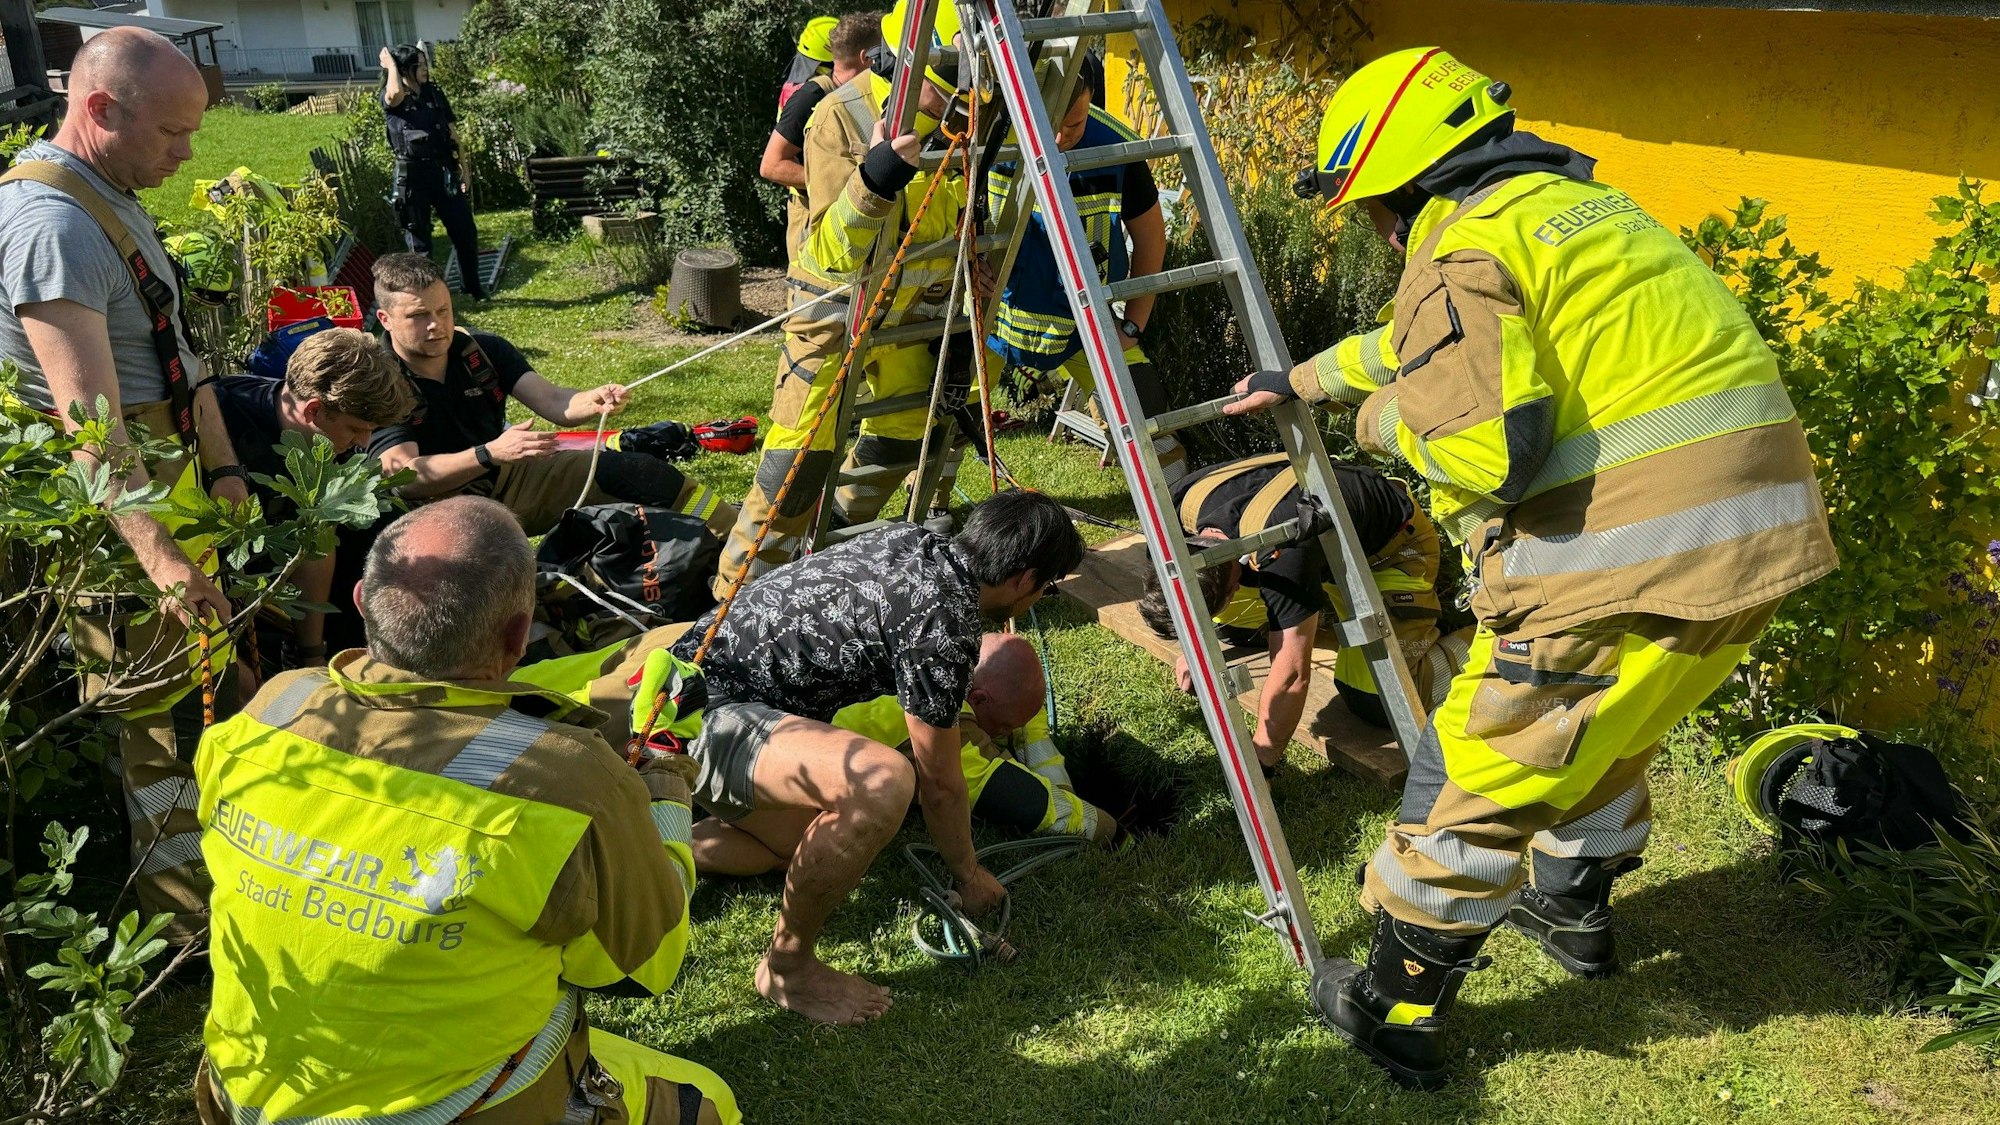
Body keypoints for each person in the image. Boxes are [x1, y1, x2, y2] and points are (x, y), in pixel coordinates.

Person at [1226, 47, 1838, 1087]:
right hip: (1758, 541)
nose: (1378, 232)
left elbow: (1477, 451)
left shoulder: (1458, 250)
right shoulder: (1574, 214)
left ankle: (1392, 1009)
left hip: (1622, 558)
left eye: (1373, 207)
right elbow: (1423, 347)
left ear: (1409, 182)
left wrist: (1372, 421)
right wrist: (1306, 378)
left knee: (1477, 779)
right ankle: (1569, 911)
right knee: (1607, 736)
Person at [192, 496, 739, 1125]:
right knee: (708, 1101)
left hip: (242, 1094)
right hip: (448, 1111)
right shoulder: (570, 779)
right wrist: (666, 777)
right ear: (517, 635)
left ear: (364, 600)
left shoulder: (274, 707)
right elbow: (647, 961)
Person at [0, 27, 248, 943]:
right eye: (172, 134)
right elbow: (92, 429)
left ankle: (228, 859)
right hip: (129, 502)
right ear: (100, 110)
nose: (187, 154)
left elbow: (176, 351)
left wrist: (222, 467)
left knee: (201, 684)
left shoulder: (111, 192)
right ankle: (184, 924)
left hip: (177, 470)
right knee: (152, 706)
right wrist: (163, 560)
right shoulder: (51, 224)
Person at [677, 489, 1085, 1025]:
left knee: (801, 848)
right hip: (704, 716)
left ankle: (653, 837)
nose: (1037, 600)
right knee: (885, 781)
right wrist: (969, 873)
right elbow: (940, 782)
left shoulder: (912, 539)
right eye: (1046, 588)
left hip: (682, 688)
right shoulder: (942, 622)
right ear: (1026, 580)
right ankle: (788, 968)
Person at [716, 0, 979, 594]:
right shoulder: (839, 116)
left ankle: (833, 538)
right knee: (796, 468)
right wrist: (879, 175)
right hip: (836, 315)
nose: (953, 111)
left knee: (912, 429)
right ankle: (735, 599)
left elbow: (958, 208)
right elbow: (835, 254)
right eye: (944, 94)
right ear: (903, 66)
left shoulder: (958, 119)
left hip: (914, 311)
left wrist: (973, 263)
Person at [368, 252, 736, 537]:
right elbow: (406, 476)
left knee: (642, 472)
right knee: (494, 579)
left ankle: (745, 542)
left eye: (443, 310)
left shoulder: (482, 351)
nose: (437, 325)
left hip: (507, 476)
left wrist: (592, 400)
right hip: (436, 511)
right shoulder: (376, 380)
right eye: (418, 316)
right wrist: (488, 453)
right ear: (385, 319)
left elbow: (555, 402)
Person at [1135, 454, 1463, 769]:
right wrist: (1194, 649)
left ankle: (1477, 642)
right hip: (1319, 552)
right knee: (1231, 630)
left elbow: (1292, 676)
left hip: (1386, 554)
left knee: (1376, 702)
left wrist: (1261, 758)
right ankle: (1321, 623)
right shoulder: (1176, 514)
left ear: (1233, 589)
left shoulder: (1282, 555)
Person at [985, 52, 1185, 485]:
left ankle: (1187, 513)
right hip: (991, 321)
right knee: (947, 416)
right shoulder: (988, 135)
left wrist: (1132, 328)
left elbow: (1151, 238)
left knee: (1148, 410)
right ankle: (933, 512)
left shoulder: (1116, 147)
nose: (1058, 138)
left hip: (1083, 324)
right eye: (1048, 123)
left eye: (1073, 124)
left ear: (1092, 99)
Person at [210, 327, 415, 666]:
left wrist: (311, 653)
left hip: (288, 561)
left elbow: (319, 538)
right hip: (224, 578)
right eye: (355, 428)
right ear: (313, 411)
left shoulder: (333, 441)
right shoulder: (223, 420)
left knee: (388, 534)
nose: (365, 443)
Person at [832, 632, 1121, 846]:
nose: (1004, 736)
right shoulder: (946, 717)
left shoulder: (944, 649)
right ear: (978, 699)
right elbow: (1016, 795)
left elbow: (1022, 707)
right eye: (1002, 727)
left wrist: (1061, 786)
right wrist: (1112, 833)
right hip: (812, 799)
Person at [761, 12, 884, 261]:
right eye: (881, 53)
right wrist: (838, 182)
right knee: (812, 297)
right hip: (810, 220)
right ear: (865, 58)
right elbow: (771, 165)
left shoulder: (853, 94)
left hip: (840, 220)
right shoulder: (812, 97)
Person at [378, 44, 486, 300]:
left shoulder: (433, 93)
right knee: (420, 243)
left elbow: (452, 134)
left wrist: (465, 169)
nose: (426, 70)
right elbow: (393, 93)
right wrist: (392, 65)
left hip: (442, 170)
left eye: (426, 64)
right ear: (406, 69)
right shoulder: (393, 96)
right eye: (420, 65)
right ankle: (425, 298)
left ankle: (472, 287)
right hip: (413, 177)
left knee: (465, 231)